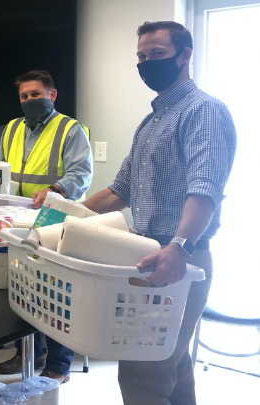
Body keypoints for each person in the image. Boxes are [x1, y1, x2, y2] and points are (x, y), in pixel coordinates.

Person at [83, 21, 236, 405]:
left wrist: (179, 248)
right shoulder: (150, 123)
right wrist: (61, 214)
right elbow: (119, 191)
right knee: (173, 361)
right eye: (141, 56)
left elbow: (204, 189)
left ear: (184, 56)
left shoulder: (204, 111)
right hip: (152, 256)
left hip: (180, 258)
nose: (147, 63)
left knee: (143, 371)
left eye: (157, 55)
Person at [0, 70, 93, 383]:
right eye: (24, 96)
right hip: (20, 223)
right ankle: (28, 353)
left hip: (57, 223)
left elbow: (81, 174)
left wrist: (55, 190)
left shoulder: (70, 129)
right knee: (24, 289)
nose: (29, 101)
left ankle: (59, 365)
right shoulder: (11, 129)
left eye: (36, 94)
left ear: (52, 95)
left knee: (57, 294)